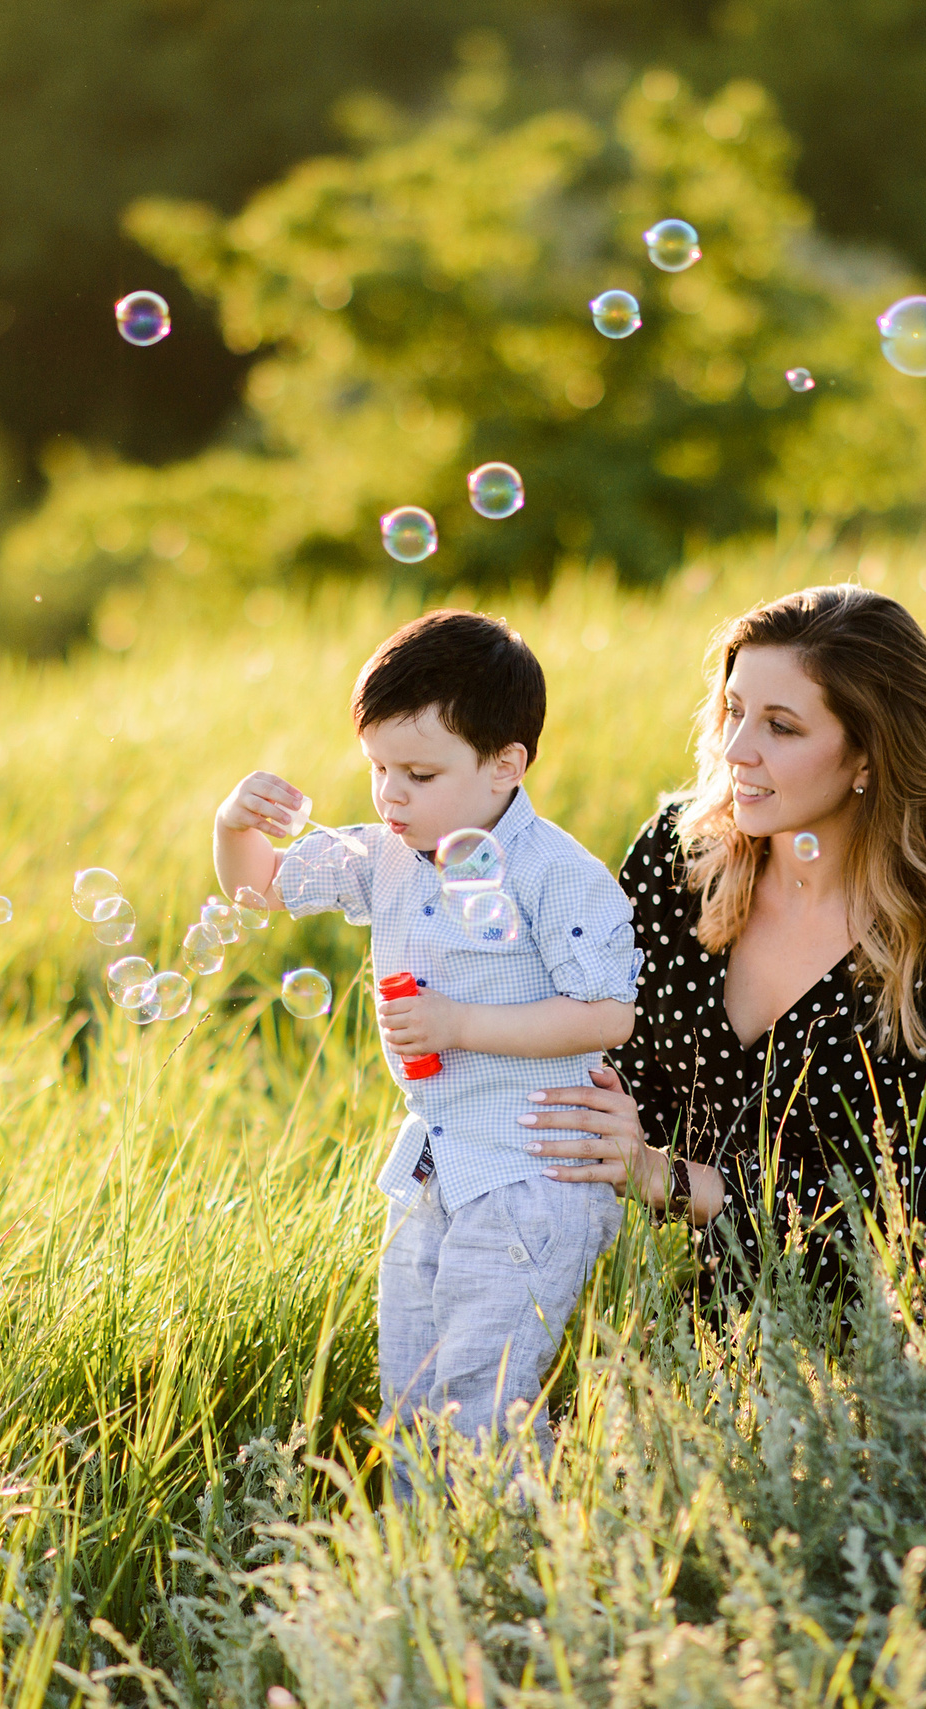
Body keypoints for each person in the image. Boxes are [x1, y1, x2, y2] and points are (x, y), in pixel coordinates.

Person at [213, 609, 642, 1497]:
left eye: (417, 772)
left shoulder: (555, 873)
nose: (388, 796)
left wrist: (460, 1024)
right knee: (410, 1397)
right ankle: (428, 1577)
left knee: (480, 1400)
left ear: (504, 764)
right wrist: (232, 824)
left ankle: (517, 1577)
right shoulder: (388, 857)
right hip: (435, 1169)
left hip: (534, 1174)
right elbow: (258, 885)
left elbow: (606, 1014)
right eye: (376, 768)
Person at [518, 584, 926, 1299]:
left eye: (780, 727)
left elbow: (906, 1200)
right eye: (733, 709)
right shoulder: (678, 863)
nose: (734, 748)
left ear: (869, 757)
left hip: (922, 1305)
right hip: (721, 1291)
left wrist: (663, 1176)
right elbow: (612, 1064)